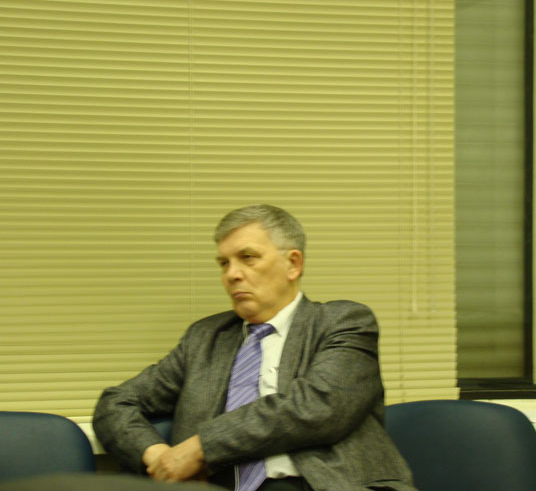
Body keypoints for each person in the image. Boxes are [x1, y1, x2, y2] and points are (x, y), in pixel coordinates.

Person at [93, 204, 416, 491]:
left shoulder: (343, 322)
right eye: (224, 263)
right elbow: (115, 404)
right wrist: (159, 458)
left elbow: (319, 406)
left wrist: (201, 447)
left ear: (293, 264)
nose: (232, 274)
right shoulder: (205, 338)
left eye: (247, 258)